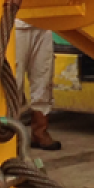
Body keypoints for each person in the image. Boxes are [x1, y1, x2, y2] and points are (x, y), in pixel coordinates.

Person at [15, 20, 62, 150]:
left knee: (44, 78)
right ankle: (11, 137)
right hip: (15, 26)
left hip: (43, 23)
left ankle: (39, 132)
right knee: (14, 82)